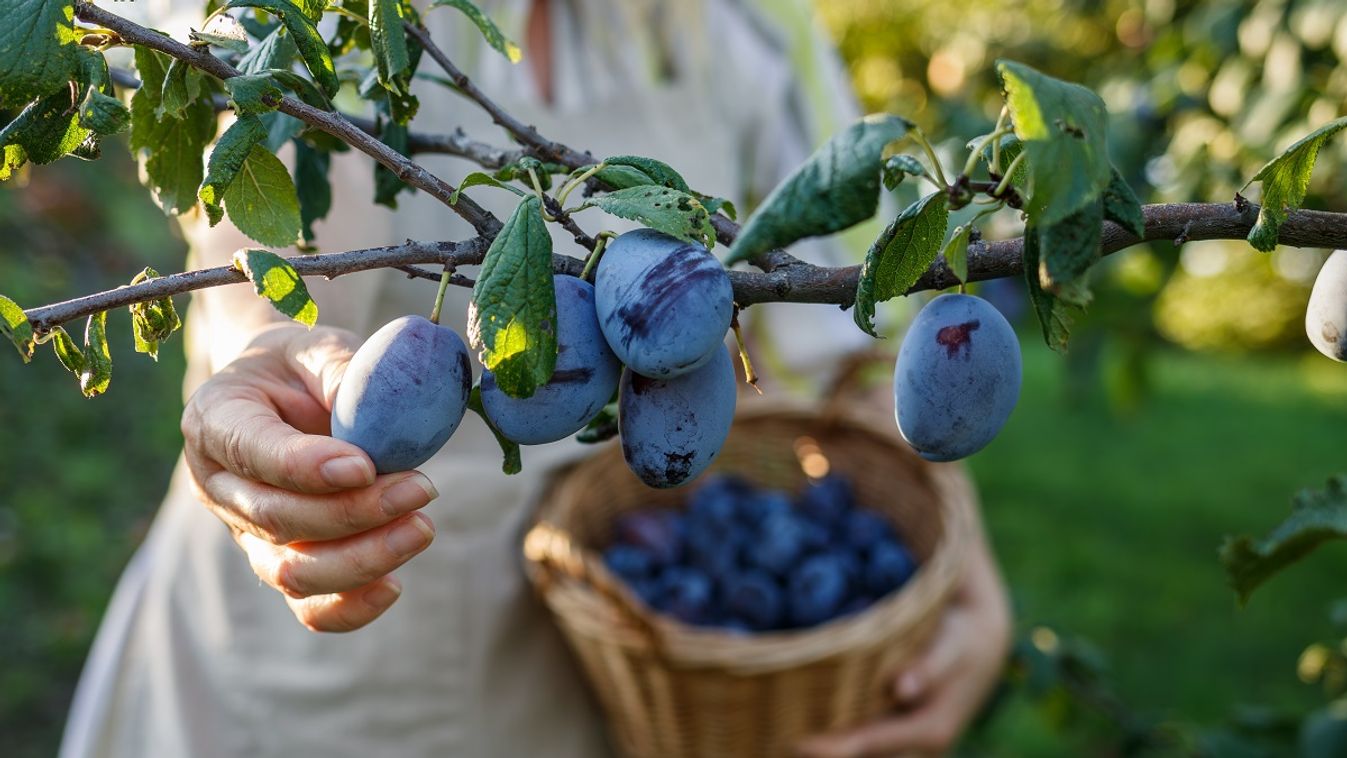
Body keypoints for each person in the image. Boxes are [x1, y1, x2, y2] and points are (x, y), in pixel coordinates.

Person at [60, 1, 1011, 756]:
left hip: (612, 645)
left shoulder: (745, 21)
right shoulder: (335, 14)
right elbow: (271, 195)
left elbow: (861, 307)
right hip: (320, 662)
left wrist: (961, 566)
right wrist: (262, 344)